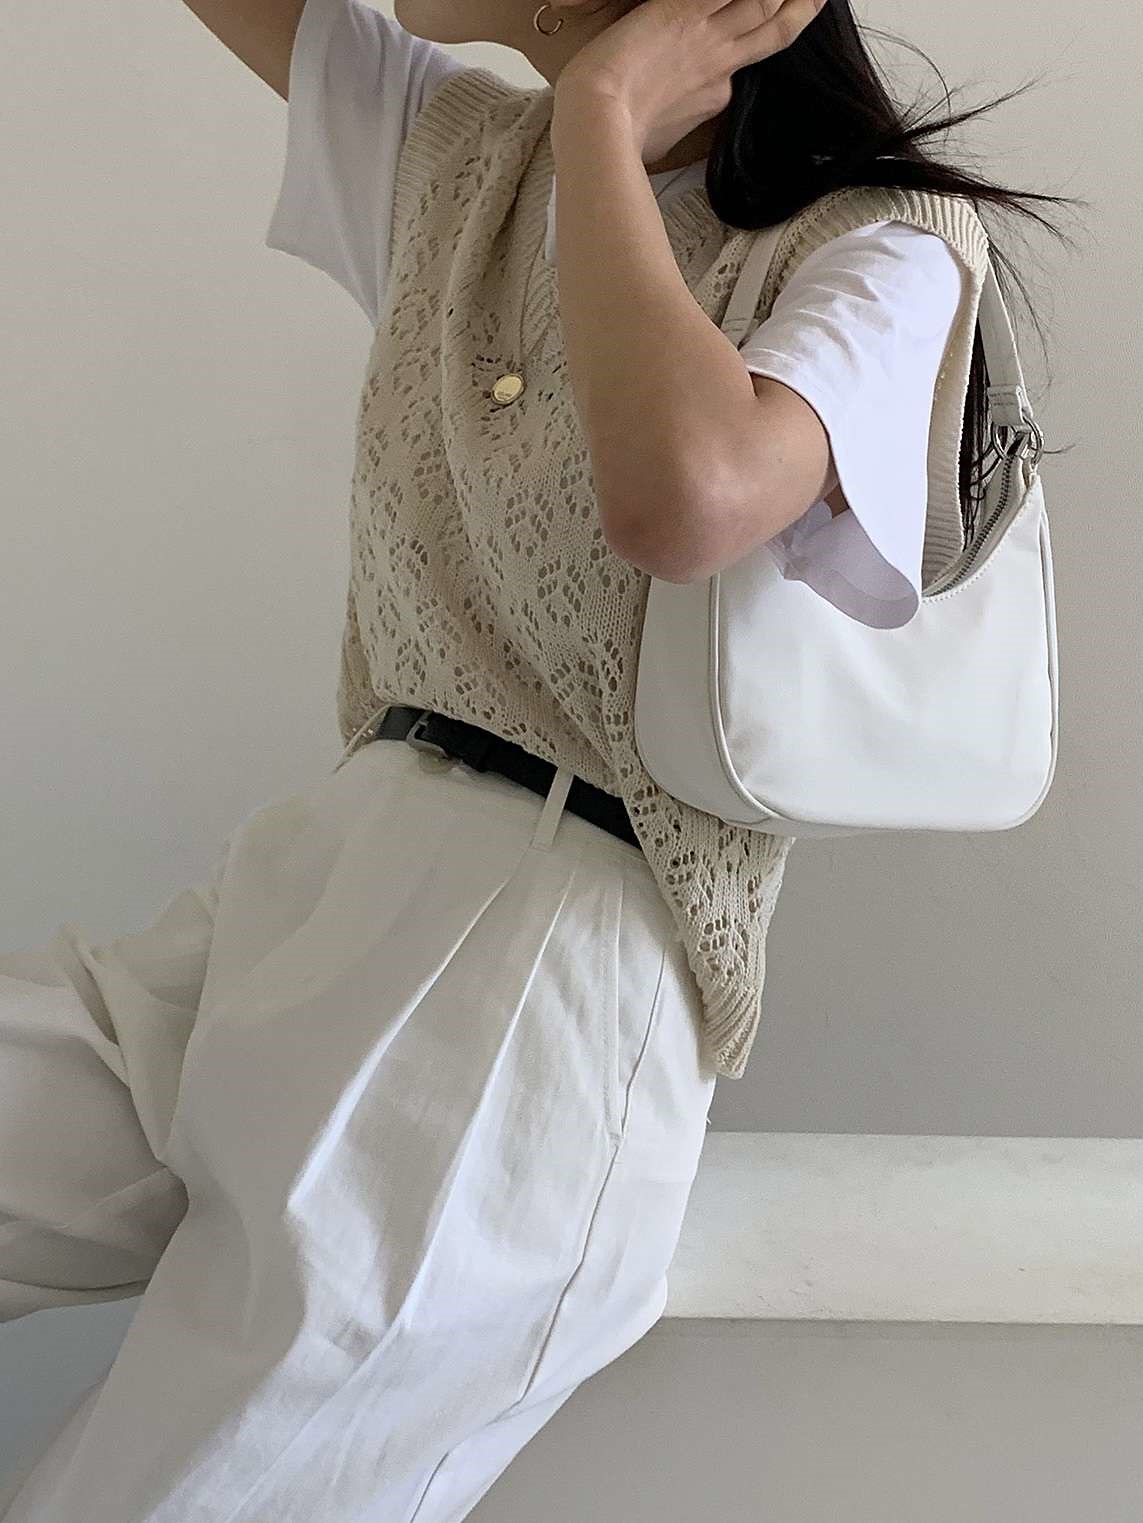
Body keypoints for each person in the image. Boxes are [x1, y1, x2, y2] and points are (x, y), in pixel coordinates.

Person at [1, 0, 1073, 1517]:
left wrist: (601, 121)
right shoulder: (456, 155)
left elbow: (685, 500)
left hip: (527, 991)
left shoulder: (883, 250)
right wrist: (583, 120)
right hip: (309, 897)